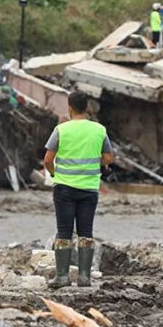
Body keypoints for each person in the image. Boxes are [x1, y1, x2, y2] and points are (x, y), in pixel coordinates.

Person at [43, 91, 115, 289]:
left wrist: (55, 174)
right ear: (88, 108)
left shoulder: (61, 129)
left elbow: (48, 159)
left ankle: (62, 277)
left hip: (64, 187)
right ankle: (84, 277)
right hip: (89, 188)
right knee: (86, 232)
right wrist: (99, 166)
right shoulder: (99, 130)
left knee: (64, 232)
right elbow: (109, 158)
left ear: (70, 108)